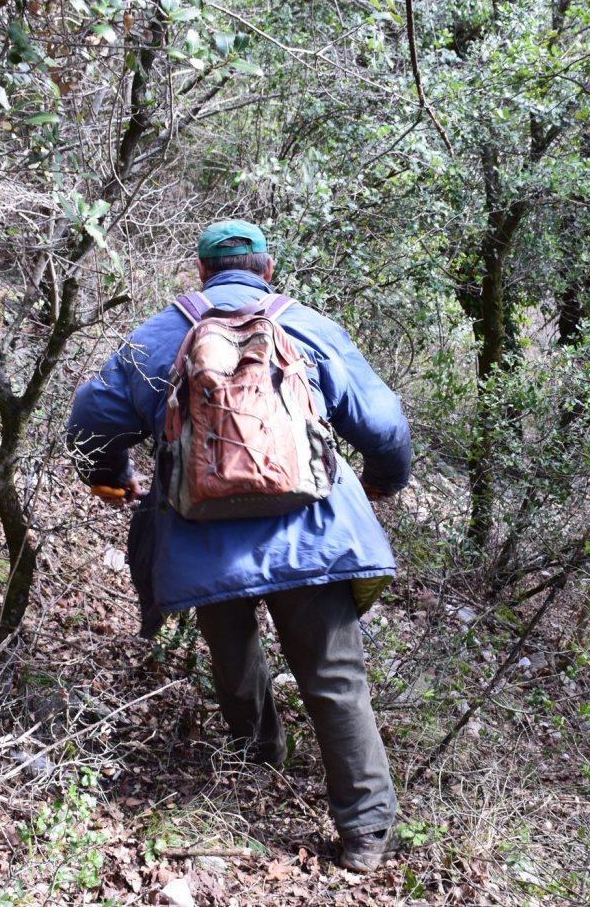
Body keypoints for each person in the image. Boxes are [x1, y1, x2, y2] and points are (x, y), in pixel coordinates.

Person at [65, 220, 412, 872]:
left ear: (199, 272)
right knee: (336, 678)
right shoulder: (308, 327)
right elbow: (385, 422)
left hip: (204, 535)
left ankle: (255, 757)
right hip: (312, 530)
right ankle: (364, 834)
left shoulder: (161, 335)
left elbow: (90, 420)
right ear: (268, 267)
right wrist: (381, 480)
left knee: (231, 647)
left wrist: (114, 477)